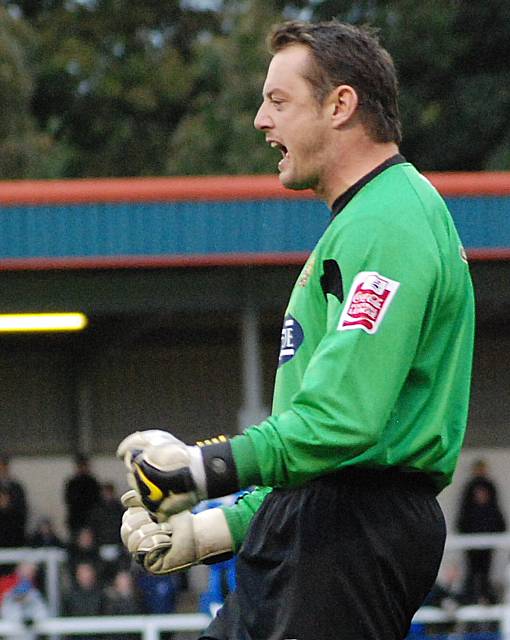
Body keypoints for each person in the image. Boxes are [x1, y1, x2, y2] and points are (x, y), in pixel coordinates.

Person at [117, 19, 475, 640]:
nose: (260, 120)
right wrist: (208, 531)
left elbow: (343, 424)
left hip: (351, 534)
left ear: (341, 105)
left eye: (278, 101)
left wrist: (199, 472)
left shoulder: (392, 222)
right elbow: (318, 455)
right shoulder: (365, 220)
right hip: (324, 523)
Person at [456, 461, 506, 603]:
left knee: (485, 570)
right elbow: (464, 511)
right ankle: (471, 598)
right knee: (472, 571)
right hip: (472, 537)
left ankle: (486, 597)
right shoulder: (469, 487)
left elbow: (495, 509)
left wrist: (500, 528)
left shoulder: (490, 486)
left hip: (487, 535)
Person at [64, 453, 101, 540]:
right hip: (76, 520)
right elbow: (68, 501)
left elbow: (97, 501)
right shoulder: (72, 483)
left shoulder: (93, 483)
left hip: (91, 520)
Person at [0, 454, 28, 547]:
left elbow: (22, 511)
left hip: (14, 535)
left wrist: (9, 506)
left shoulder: (16, 487)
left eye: (3, 466)